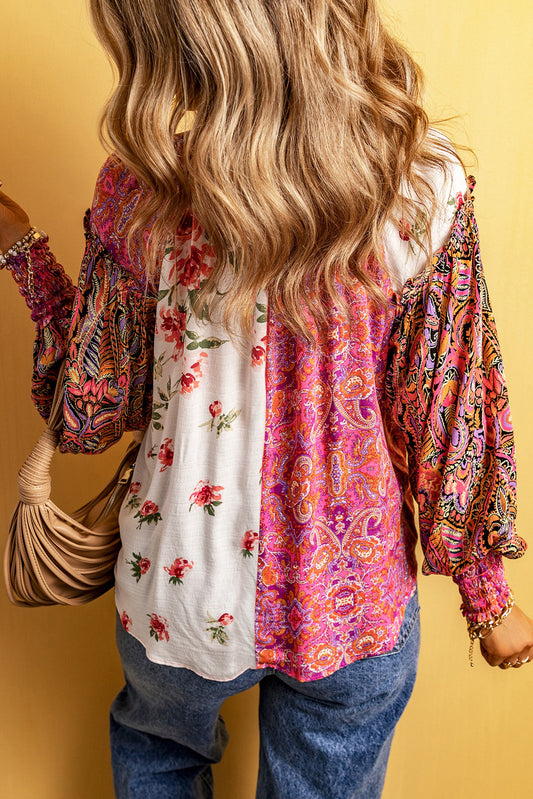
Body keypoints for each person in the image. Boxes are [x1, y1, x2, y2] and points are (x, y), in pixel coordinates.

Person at [1, 1, 532, 797]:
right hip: (348, 600)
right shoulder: (420, 185)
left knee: (158, 750)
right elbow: (446, 408)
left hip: (178, 589)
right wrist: (485, 598)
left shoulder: (138, 191)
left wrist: (20, 251)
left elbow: (91, 406)